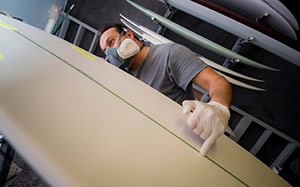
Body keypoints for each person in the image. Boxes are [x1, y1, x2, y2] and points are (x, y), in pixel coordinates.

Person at [99, 23, 232, 156]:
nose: (111, 53)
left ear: (129, 35)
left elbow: (216, 81)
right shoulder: (122, 81)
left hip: (190, 145)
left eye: (111, 42)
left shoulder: (168, 54)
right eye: (106, 52)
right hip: (154, 151)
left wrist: (219, 106)